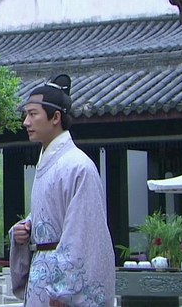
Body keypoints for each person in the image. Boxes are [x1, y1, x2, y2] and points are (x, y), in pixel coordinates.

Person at [9, 74, 116, 307]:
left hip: (62, 287)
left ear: (55, 117)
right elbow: (51, 215)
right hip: (41, 275)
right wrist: (24, 230)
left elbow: (82, 233)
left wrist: (63, 291)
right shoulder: (50, 162)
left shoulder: (78, 166)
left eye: (33, 114)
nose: (25, 122)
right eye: (26, 115)